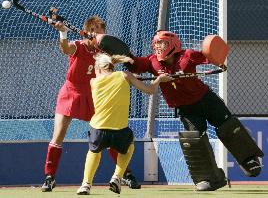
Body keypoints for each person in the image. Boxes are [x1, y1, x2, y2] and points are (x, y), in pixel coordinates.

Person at [123, 30, 264, 191]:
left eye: (162, 43)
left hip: (206, 99)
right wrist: (124, 54)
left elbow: (209, 56)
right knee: (195, 140)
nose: (158, 47)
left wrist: (219, 62)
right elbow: (135, 64)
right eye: (156, 44)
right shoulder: (152, 62)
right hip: (186, 109)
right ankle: (210, 179)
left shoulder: (187, 55)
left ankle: (249, 159)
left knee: (228, 126)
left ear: (174, 44)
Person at [41, 16, 139, 192]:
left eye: (100, 31)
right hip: (71, 92)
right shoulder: (78, 45)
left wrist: (131, 68)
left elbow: (118, 61)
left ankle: (124, 174)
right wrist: (63, 32)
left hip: (95, 95)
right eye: (93, 30)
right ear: (87, 31)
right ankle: (49, 177)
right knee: (58, 136)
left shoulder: (105, 52)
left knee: (107, 134)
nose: (96, 33)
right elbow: (65, 49)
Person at [76, 53, 173, 195]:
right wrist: (158, 79)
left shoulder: (93, 82)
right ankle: (117, 176)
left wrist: (117, 66)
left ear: (99, 68)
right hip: (119, 131)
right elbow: (150, 90)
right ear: (110, 66)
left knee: (93, 151)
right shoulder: (125, 75)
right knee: (129, 145)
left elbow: (104, 73)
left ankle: (86, 184)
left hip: (98, 128)